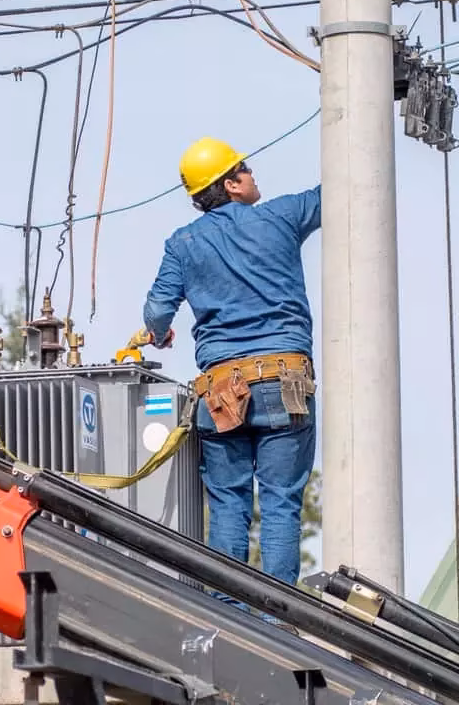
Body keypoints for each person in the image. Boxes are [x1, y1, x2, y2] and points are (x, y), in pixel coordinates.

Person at [141, 136, 322, 625]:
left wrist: (159, 334)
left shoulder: (184, 243)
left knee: (228, 502)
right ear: (231, 182)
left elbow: (157, 310)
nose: (254, 176)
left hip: (221, 391)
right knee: (281, 501)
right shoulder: (281, 216)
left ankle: (229, 618)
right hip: (284, 381)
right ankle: (280, 618)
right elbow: (343, 187)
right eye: (247, 169)